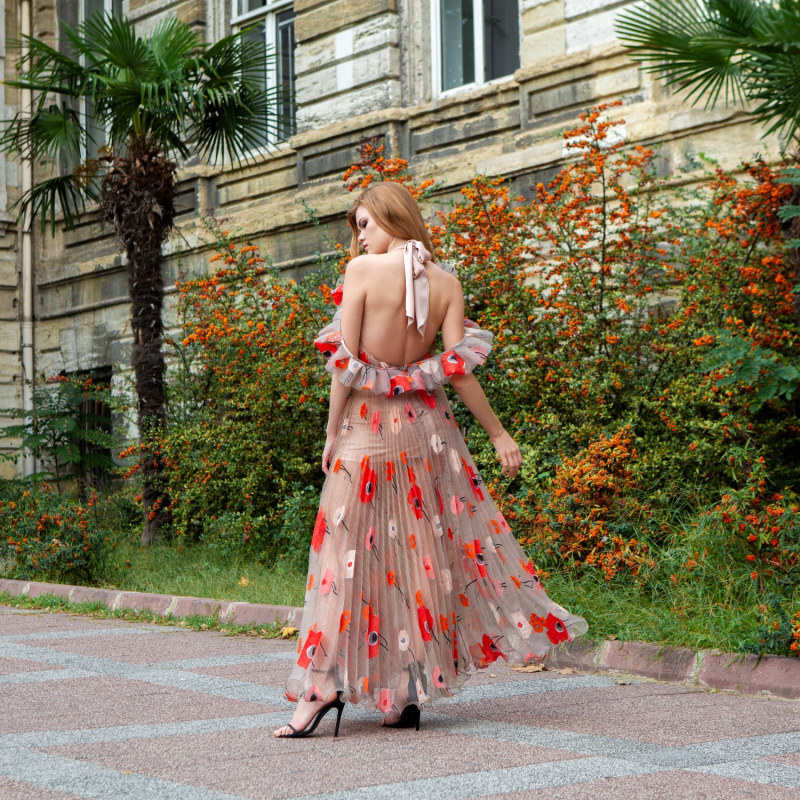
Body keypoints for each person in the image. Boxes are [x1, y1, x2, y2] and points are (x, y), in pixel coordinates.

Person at [273, 182, 587, 738]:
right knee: (417, 554)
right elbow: (457, 369)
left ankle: (321, 690)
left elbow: (345, 366)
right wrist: (497, 435)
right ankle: (405, 693)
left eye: (365, 223)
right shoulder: (445, 282)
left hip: (368, 431)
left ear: (394, 219)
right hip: (426, 432)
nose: (359, 235)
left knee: (343, 560)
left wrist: (330, 434)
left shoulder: (361, 274)